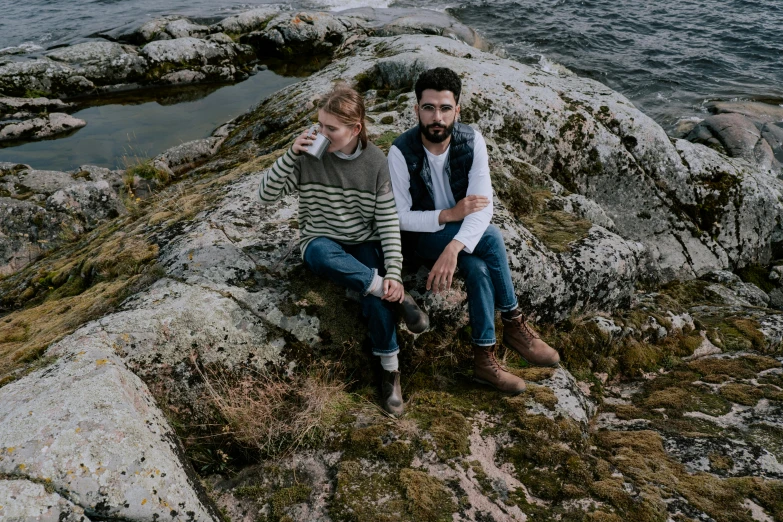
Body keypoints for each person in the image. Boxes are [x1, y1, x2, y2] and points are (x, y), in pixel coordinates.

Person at [258, 85, 428, 416]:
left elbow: (388, 222)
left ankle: (390, 371)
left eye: (330, 128)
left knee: (376, 291)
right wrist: (291, 153)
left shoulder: (375, 162)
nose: (321, 133)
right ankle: (396, 296)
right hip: (320, 239)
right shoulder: (309, 154)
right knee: (329, 260)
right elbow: (266, 195)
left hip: (362, 241)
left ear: (355, 129)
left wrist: (393, 270)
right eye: (320, 124)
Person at [387, 67, 560, 395]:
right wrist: (449, 216)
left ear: (457, 110)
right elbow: (400, 217)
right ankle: (513, 322)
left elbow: (483, 207)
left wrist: (454, 248)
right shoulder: (400, 151)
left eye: (445, 108)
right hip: (418, 237)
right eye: (429, 108)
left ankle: (484, 359)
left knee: (479, 268)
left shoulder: (472, 141)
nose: (437, 117)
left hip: (453, 235)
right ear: (417, 110)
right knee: (492, 238)